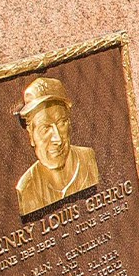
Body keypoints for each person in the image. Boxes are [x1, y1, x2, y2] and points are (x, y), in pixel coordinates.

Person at [15, 77, 100, 217]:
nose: (57, 139)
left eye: (61, 123)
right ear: (31, 135)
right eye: (45, 128)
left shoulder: (88, 159)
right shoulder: (27, 188)